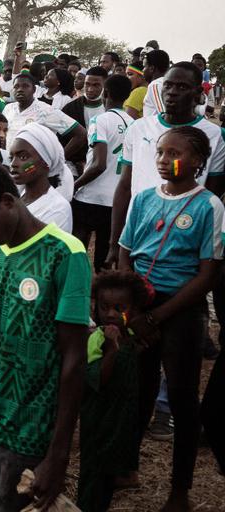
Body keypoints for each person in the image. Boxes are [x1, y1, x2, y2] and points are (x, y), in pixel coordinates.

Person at [0, 160, 89, 512]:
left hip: (32, 426)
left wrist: (58, 457)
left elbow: (74, 358)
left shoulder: (66, 254)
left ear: (8, 202)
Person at [117, 126, 223, 511]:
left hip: (180, 308)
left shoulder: (208, 205)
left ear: (197, 161)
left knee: (181, 395)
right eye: (160, 153)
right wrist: (134, 304)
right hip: (142, 304)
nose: (164, 160)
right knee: (138, 391)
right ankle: (127, 467)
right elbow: (126, 250)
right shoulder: (143, 199)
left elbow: (208, 274)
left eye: (173, 153)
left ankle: (180, 490)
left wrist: (159, 315)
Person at [108, 62, 225, 268]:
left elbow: (213, 192)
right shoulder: (139, 128)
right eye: (168, 86)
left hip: (184, 237)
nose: (172, 92)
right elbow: (125, 185)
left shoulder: (214, 135)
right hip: (138, 232)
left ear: (198, 93)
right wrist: (114, 243)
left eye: (182, 87)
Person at [77, 271, 148, 512]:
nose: (110, 314)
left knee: (107, 482)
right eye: (104, 307)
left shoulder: (128, 335)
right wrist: (111, 348)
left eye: (120, 308)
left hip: (120, 423)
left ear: (135, 309)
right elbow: (98, 378)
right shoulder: (97, 340)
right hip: (99, 425)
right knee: (93, 482)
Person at [72, 74, 133, 271]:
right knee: (104, 256)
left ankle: (78, 294)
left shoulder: (100, 120)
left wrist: (74, 185)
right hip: (116, 200)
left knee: (77, 251)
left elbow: (99, 164)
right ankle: (101, 301)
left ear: (105, 92)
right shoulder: (133, 123)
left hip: (91, 197)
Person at [9, 123, 73, 231]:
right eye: (11, 157)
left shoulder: (57, 209)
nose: (13, 164)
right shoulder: (17, 197)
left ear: (46, 162)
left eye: (23, 157)